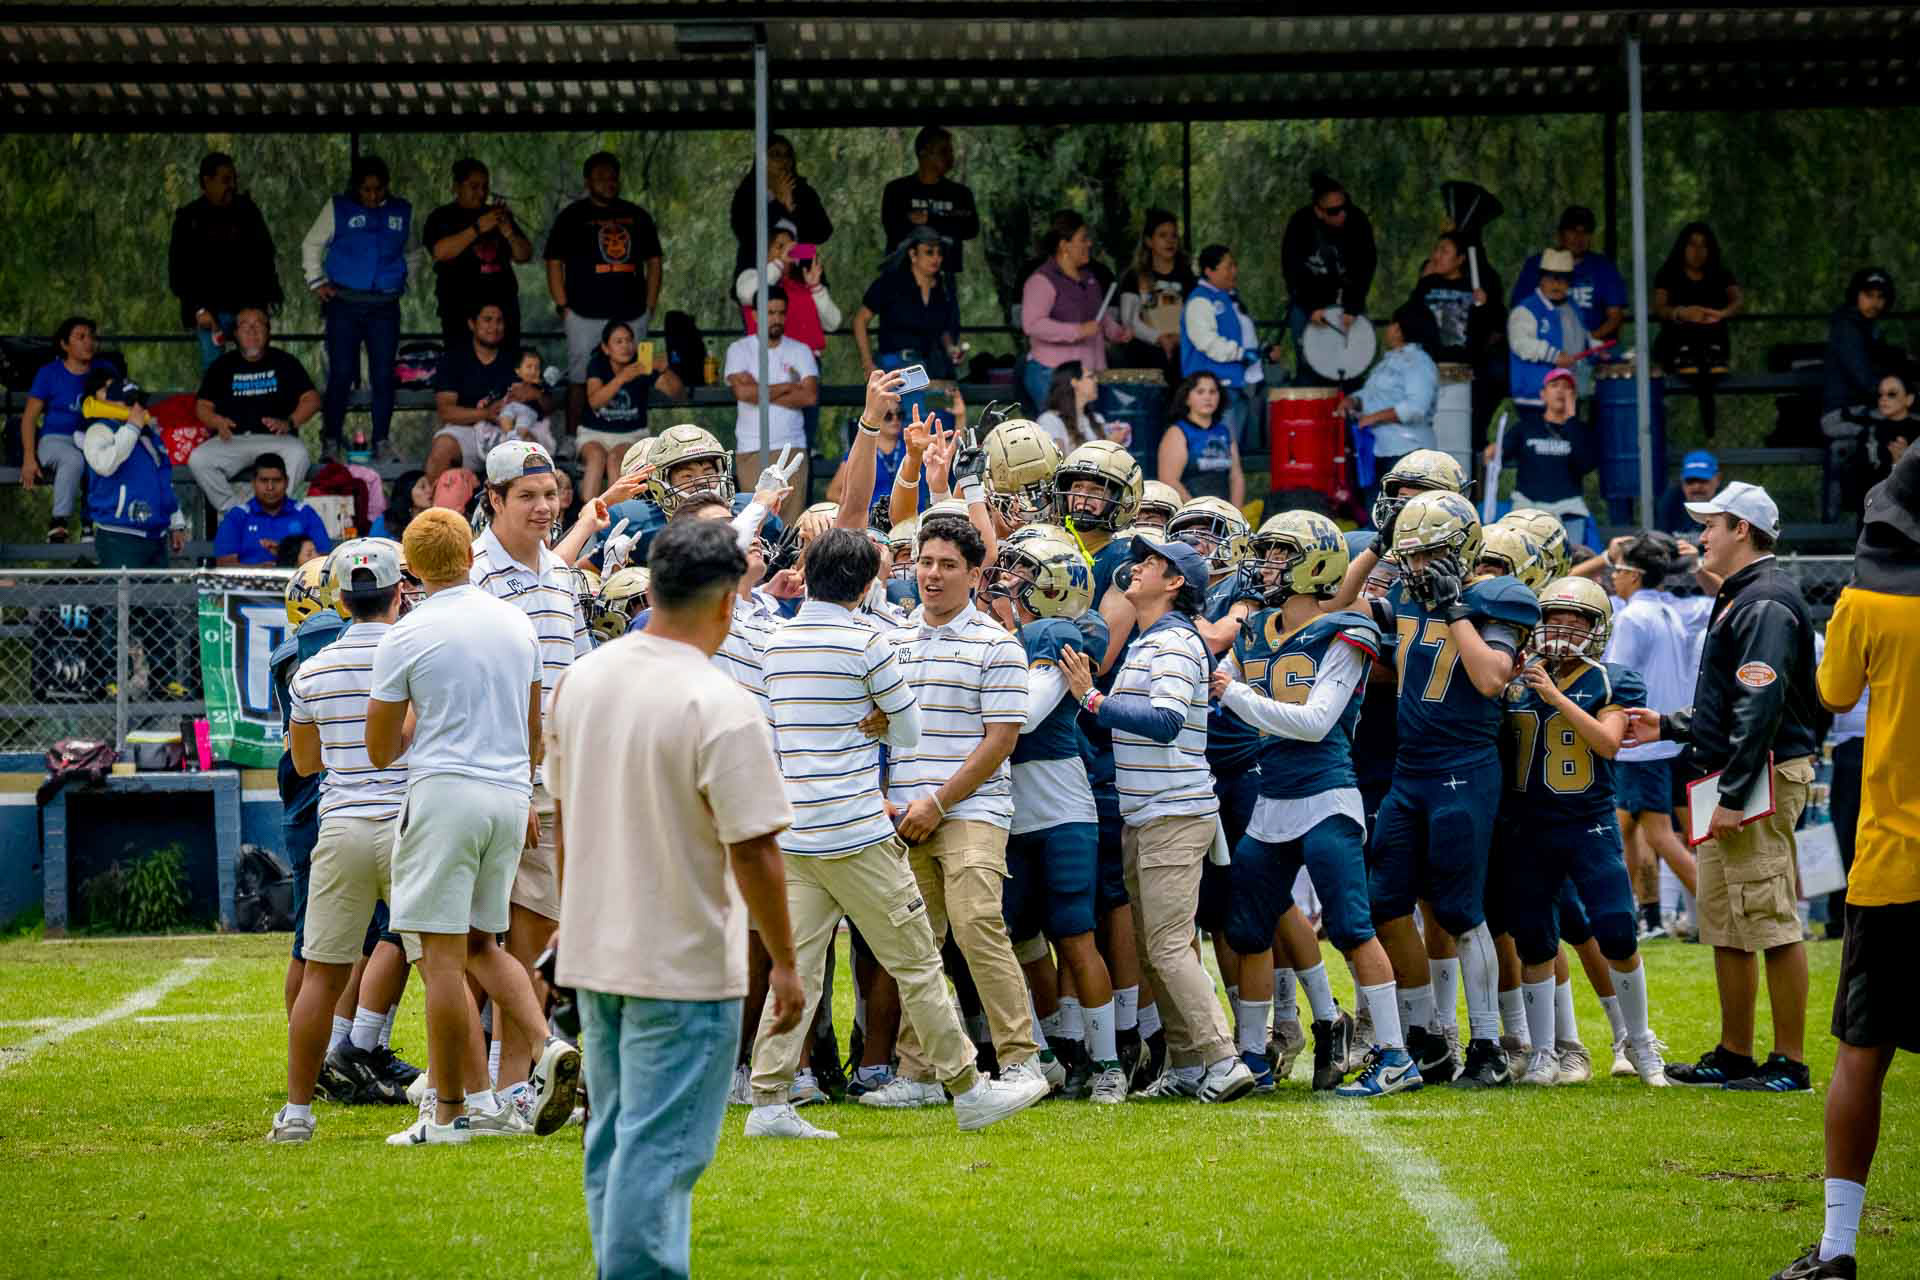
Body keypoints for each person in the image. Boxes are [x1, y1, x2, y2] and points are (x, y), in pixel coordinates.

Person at [542, 517, 796, 1273]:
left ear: (650, 587)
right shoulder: (720, 702)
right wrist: (786, 964)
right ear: (729, 600)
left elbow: (565, 815)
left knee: (615, 1138)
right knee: (659, 1151)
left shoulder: (583, 680)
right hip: (682, 962)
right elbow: (755, 848)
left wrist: (570, 918)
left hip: (596, 950)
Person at [746, 526, 1048, 1130]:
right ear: (866, 586)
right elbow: (908, 731)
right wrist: (876, 714)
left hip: (796, 832)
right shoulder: (869, 642)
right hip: (858, 833)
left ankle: (769, 1100)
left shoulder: (774, 642)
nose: (929, 575)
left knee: (797, 968)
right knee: (917, 963)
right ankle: (968, 1088)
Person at [367, 508, 580, 1145]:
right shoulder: (516, 623)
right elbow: (534, 727)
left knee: (442, 960)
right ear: (469, 555)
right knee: (485, 946)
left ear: (411, 571)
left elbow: (381, 749)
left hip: (445, 795)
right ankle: (543, 1046)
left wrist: (420, 719)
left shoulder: (405, 634)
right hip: (512, 794)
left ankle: (450, 1112)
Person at [1327, 491, 1542, 1089]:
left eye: (1431, 554)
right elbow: (1334, 610)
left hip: (1465, 767)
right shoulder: (1402, 594)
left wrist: (1453, 609)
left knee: (1461, 910)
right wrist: (1376, 549)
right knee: (1385, 903)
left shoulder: (1497, 598)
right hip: (1411, 769)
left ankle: (1488, 1044)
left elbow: (1491, 677)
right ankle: (1425, 1037)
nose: (1418, 566)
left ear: (1463, 550)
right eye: (1412, 554)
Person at [1769, 452, 1920, 1280]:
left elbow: (1833, 692)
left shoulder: (1866, 599)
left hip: (1897, 864)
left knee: (1864, 1053)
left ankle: (1837, 1249)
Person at [1209, 511, 1413, 1098]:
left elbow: (1316, 722)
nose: (1265, 565)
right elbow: (1212, 684)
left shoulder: (1345, 633)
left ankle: (1395, 1055)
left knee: (1351, 927)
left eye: (1280, 554)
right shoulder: (1254, 630)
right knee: (1249, 932)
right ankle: (1254, 1055)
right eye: (1267, 552)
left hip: (1326, 795)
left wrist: (1236, 695)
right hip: (1272, 799)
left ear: (1314, 565)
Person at [1626, 481, 1821, 1093]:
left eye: (1711, 524)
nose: (1701, 536)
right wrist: (1669, 725)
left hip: (1756, 776)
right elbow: (1733, 703)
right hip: (1734, 774)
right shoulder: (1746, 595)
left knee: (1770, 917)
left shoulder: (1763, 600)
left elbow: (1760, 705)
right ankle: (1735, 1053)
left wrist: (1735, 793)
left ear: (1742, 529)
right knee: (1725, 919)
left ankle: (1789, 1062)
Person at [1057, 536, 1256, 1102]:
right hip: (1149, 812)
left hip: (1172, 812)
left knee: (1167, 946)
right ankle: (1188, 1064)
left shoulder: (1173, 641)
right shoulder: (1153, 640)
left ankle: (1223, 1058)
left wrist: (1091, 698)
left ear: (1174, 583)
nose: (1137, 567)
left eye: (1152, 562)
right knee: (1155, 948)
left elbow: (1165, 721)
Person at [883, 515, 1057, 1098]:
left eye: (948, 565)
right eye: (925, 562)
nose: (932, 575)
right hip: (904, 814)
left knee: (978, 926)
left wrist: (938, 802)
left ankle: (1022, 1062)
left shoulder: (997, 643)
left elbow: (1001, 740)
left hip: (973, 809)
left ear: (975, 575)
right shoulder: (893, 640)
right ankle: (918, 1073)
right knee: (917, 943)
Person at [272, 539, 419, 1143]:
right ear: (399, 591)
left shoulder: (312, 669)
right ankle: (456, 1103)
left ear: (339, 598)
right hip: (409, 822)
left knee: (322, 975)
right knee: (446, 965)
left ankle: (297, 1114)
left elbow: (306, 762)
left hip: (342, 825)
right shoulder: (417, 651)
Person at [1497, 578, 1670, 1088]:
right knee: (1535, 941)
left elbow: (1609, 743)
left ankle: (1639, 1042)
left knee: (1616, 930)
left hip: (1588, 823)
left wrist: (1553, 696)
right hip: (1528, 826)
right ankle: (1544, 1052)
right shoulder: (1516, 677)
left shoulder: (1610, 681)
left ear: (1598, 629)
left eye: (1577, 622)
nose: (1563, 630)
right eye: (1556, 619)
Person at [980, 526, 1127, 1102]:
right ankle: (1046, 1054)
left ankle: (1108, 1063)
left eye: (1021, 572)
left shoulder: (1056, 632)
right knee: (1011, 938)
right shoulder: (1003, 633)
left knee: (1074, 935)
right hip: (1008, 811)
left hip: (1060, 808)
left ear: (1053, 588)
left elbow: (1026, 716)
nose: (1006, 581)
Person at [468, 439, 593, 1111]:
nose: (544, 508)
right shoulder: (473, 573)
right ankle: (468, 1088)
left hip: (553, 777)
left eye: (550, 495)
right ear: (493, 499)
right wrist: (516, 781)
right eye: (527, 496)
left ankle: (513, 1085)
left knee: (534, 938)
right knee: (468, 943)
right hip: (493, 776)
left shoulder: (562, 574)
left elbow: (575, 673)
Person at [1602, 533, 1701, 946]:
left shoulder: (1632, 618)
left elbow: (1615, 678)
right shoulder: (1668, 612)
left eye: (1618, 569)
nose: (1613, 576)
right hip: (1661, 738)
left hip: (1640, 741)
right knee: (1624, 827)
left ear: (1635, 574)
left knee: (1658, 834)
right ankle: (1636, 915)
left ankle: (1714, 908)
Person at [545, 151, 664, 435]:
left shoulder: (637, 215)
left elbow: (654, 262)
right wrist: (563, 306)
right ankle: (573, 441)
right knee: (579, 378)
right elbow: (553, 262)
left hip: (632, 314)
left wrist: (649, 305)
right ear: (587, 181)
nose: (609, 182)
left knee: (638, 374)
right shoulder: (571, 216)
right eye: (601, 178)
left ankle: (635, 436)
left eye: (613, 177)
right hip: (583, 314)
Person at [302, 154, 412, 459]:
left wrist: (404, 279)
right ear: (356, 187)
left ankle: (381, 440)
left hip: (384, 305)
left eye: (379, 189)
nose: (373, 196)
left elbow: (413, 251)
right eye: (366, 189)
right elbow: (311, 244)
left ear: (387, 186)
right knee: (341, 372)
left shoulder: (401, 211)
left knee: (383, 375)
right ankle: (331, 440)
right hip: (344, 304)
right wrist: (316, 281)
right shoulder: (338, 208)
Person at [191, 307, 320, 511]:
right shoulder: (221, 366)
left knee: (299, 454)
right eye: (245, 326)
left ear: (268, 332)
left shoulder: (285, 362)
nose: (252, 331)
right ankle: (235, 511)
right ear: (235, 334)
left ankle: (272, 509)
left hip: (275, 440)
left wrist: (289, 422)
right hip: (232, 439)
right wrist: (216, 422)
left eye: (258, 325)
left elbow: (311, 399)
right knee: (199, 459)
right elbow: (202, 406)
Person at [167, 152, 282, 370]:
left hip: (248, 307)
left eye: (234, 180)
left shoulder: (247, 212)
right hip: (209, 312)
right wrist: (198, 310)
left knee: (256, 366)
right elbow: (178, 273)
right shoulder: (188, 219)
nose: (232, 186)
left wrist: (266, 301)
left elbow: (265, 257)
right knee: (214, 370)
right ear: (207, 181)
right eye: (226, 180)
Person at [1410, 229, 1507, 461]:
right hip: (1430, 368)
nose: (1436, 256)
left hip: (1466, 370)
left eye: (1444, 251)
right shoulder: (1426, 285)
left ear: (1460, 259)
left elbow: (1496, 326)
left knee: (1464, 432)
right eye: (1436, 250)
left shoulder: (1474, 288)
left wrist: (1485, 305)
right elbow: (1408, 319)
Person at [725, 287, 819, 523]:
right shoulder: (739, 349)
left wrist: (759, 391)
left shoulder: (800, 350)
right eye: (770, 313)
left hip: (792, 446)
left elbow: (809, 397)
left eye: (781, 313)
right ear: (755, 315)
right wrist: (789, 386)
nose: (776, 319)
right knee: (755, 521)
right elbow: (742, 393)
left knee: (790, 525)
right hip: (751, 447)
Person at [1020, 210, 1128, 415]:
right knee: (1059, 430)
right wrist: (1078, 331)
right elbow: (1032, 324)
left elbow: (1098, 317)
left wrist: (1116, 331)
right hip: (1052, 375)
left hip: (1090, 375)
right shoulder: (1041, 281)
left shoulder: (1089, 279)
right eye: (1083, 239)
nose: (1089, 244)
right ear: (1064, 245)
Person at [428, 303, 550, 484]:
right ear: (472, 324)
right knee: (442, 448)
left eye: (499, 321)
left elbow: (548, 405)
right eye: (487, 320)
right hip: (469, 431)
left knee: (529, 448)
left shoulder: (519, 359)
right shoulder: (453, 359)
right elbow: (446, 411)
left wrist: (535, 395)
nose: (494, 326)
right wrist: (486, 413)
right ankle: (433, 502)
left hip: (512, 432)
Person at [80, 372, 188, 569]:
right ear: (110, 401)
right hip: (119, 535)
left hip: (156, 536)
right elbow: (105, 465)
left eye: (139, 402)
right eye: (129, 401)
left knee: (159, 589)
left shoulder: (149, 436)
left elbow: (164, 480)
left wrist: (176, 523)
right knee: (122, 590)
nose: (137, 407)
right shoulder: (98, 430)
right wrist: (131, 428)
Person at [424, 157, 533, 351]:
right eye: (474, 187)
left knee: (506, 365)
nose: (481, 193)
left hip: (503, 310)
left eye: (485, 187)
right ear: (456, 187)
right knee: (464, 365)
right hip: (460, 312)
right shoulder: (441, 216)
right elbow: (440, 252)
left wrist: (509, 232)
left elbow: (524, 255)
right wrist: (477, 228)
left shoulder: (498, 214)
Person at [1180, 244, 1281, 448]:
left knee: (1236, 451)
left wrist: (1262, 351)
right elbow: (1207, 341)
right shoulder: (1200, 301)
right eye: (1228, 266)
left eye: (1234, 265)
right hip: (1213, 388)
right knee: (1221, 451)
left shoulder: (1230, 299)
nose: (1234, 271)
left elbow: (1245, 338)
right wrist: (1241, 354)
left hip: (1237, 384)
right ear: (1209, 271)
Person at [1345, 302, 1440, 516]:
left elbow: (1416, 407)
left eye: (1390, 324)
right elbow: (1372, 395)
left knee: (1403, 518)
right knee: (1379, 517)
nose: (1387, 330)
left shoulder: (1419, 363)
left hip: (1406, 451)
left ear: (1398, 329)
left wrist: (1374, 418)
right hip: (1378, 449)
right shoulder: (1388, 361)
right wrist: (1354, 401)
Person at [1823, 268, 1900, 521]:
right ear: (1856, 295)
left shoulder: (1868, 330)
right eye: (1869, 295)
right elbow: (1864, 379)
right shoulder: (1847, 328)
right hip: (1843, 415)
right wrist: (1897, 395)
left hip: (1863, 412)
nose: (1874, 303)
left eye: (1880, 297)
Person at [1281, 173, 1378, 373]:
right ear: (1319, 211)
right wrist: (1311, 307)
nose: (1342, 214)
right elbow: (1291, 270)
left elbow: (1366, 266)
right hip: (1308, 301)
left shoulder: (1358, 221)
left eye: (1344, 207)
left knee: (1354, 363)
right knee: (1309, 366)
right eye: (1333, 211)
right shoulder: (1300, 224)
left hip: (1347, 298)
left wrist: (1353, 305)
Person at [1653, 221, 1742, 438]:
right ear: (1682, 247)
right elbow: (1659, 308)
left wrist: (1721, 314)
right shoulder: (1668, 273)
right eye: (1692, 244)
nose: (1697, 251)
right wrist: (1681, 313)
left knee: (1710, 353)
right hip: (1679, 343)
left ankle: (1710, 430)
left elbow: (1738, 300)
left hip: (1712, 343)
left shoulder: (1721, 274)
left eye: (1703, 245)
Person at [1490, 368, 1597, 546]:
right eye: (1555, 385)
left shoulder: (1581, 430)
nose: (1560, 391)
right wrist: (1493, 452)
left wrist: (1571, 420)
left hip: (1569, 509)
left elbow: (1585, 465)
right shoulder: (1525, 427)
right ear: (1543, 394)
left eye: (1567, 387)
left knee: (1570, 558)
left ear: (1574, 395)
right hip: (1528, 506)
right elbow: (1499, 456)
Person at [579, 320, 683, 502]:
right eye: (618, 341)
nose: (625, 346)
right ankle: (586, 511)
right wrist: (622, 378)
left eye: (629, 340)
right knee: (596, 457)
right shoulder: (597, 364)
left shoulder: (642, 366)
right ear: (606, 348)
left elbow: (678, 394)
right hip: (594, 433)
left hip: (631, 434)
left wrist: (665, 369)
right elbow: (595, 402)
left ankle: (616, 513)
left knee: (616, 459)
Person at [20, 316, 102, 542]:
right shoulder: (49, 373)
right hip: (54, 441)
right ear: (65, 344)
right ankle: (59, 522)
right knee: (74, 459)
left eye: (91, 337)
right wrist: (28, 458)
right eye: (80, 337)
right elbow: (28, 419)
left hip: (92, 439)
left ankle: (90, 525)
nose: (88, 342)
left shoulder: (102, 371)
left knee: (99, 458)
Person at [854, 225, 963, 381]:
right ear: (913, 254)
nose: (936, 258)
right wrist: (868, 363)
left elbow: (942, 330)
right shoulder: (890, 283)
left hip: (930, 366)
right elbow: (860, 320)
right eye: (929, 252)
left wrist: (951, 349)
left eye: (939, 253)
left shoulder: (941, 289)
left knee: (949, 395)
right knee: (922, 395)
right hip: (895, 364)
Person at [1510, 205, 1626, 346]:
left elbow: (1615, 316)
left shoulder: (1604, 267)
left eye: (1585, 232)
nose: (1579, 237)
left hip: (1592, 347)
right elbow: (1520, 313)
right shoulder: (1536, 264)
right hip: (1543, 347)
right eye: (1572, 230)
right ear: (1560, 234)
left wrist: (1585, 341)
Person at [729, 133, 834, 276]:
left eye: (787, 155)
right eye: (775, 155)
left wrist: (792, 213)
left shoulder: (803, 191)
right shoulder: (747, 192)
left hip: (801, 276)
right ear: (761, 160)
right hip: (758, 276)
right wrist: (778, 204)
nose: (783, 160)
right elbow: (746, 234)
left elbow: (823, 232)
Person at [880, 126, 979, 272]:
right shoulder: (897, 190)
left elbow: (970, 229)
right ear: (923, 153)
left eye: (951, 151)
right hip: (902, 277)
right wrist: (949, 221)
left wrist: (928, 219)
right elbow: (893, 228)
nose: (950, 157)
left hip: (945, 277)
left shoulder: (960, 193)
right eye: (943, 151)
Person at [213, 454, 331, 567]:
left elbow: (324, 559)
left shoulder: (305, 513)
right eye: (264, 481)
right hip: (247, 581)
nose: (270, 487)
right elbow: (224, 564)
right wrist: (260, 571)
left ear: (286, 482)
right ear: (253, 483)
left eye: (277, 480)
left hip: (296, 580)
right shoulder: (237, 516)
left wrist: (284, 552)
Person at [1118, 209, 1195, 378]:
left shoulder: (1187, 276)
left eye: (1174, 235)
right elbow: (1128, 320)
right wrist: (1158, 338)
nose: (1170, 241)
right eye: (1162, 235)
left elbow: (1196, 316)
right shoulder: (1133, 276)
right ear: (1148, 241)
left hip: (1182, 358)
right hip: (1143, 361)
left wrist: (1179, 338)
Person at [1508, 247, 1584, 411]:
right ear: (1541, 279)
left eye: (1562, 279)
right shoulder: (1526, 309)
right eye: (1551, 278)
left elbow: (1582, 338)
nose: (1556, 284)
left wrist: (1597, 349)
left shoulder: (1573, 308)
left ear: (1569, 282)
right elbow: (1520, 343)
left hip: (1566, 397)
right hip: (1534, 398)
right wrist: (1554, 356)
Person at [1157, 372, 1243, 506]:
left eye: (1212, 392)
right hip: (1189, 511)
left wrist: (1235, 512)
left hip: (1223, 512)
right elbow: (1169, 480)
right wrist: (1196, 511)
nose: (1208, 397)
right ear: (1187, 398)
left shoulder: (1224, 432)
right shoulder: (1177, 432)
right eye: (1200, 392)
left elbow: (1236, 477)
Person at [1040, 361, 1129, 456]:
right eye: (1090, 377)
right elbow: (1059, 462)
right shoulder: (1050, 420)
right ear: (1074, 382)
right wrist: (1109, 445)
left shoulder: (1097, 418)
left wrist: (1114, 437)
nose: (1096, 380)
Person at [1656, 449, 1721, 542]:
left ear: (1717, 479)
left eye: (1703, 480)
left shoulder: (1728, 506)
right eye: (1690, 481)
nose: (1696, 486)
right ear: (1682, 481)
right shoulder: (1670, 502)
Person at [1871, 367, 1917, 481]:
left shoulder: (1916, 432)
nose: (1883, 399)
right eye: (1880, 394)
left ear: (1909, 399)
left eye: (1892, 394)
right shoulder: (1872, 430)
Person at [369, 470, 430, 542]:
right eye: (423, 487)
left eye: (432, 485)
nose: (429, 490)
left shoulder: (437, 519)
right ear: (407, 490)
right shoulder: (386, 520)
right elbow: (374, 546)